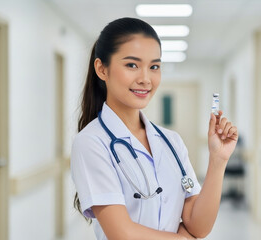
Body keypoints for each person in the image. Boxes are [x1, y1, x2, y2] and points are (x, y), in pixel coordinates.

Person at [71, 17, 239, 240]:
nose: (145, 79)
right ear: (102, 69)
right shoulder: (92, 142)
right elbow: (122, 234)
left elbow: (199, 227)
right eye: (132, 65)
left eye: (154, 67)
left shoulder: (171, 141)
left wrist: (218, 160)